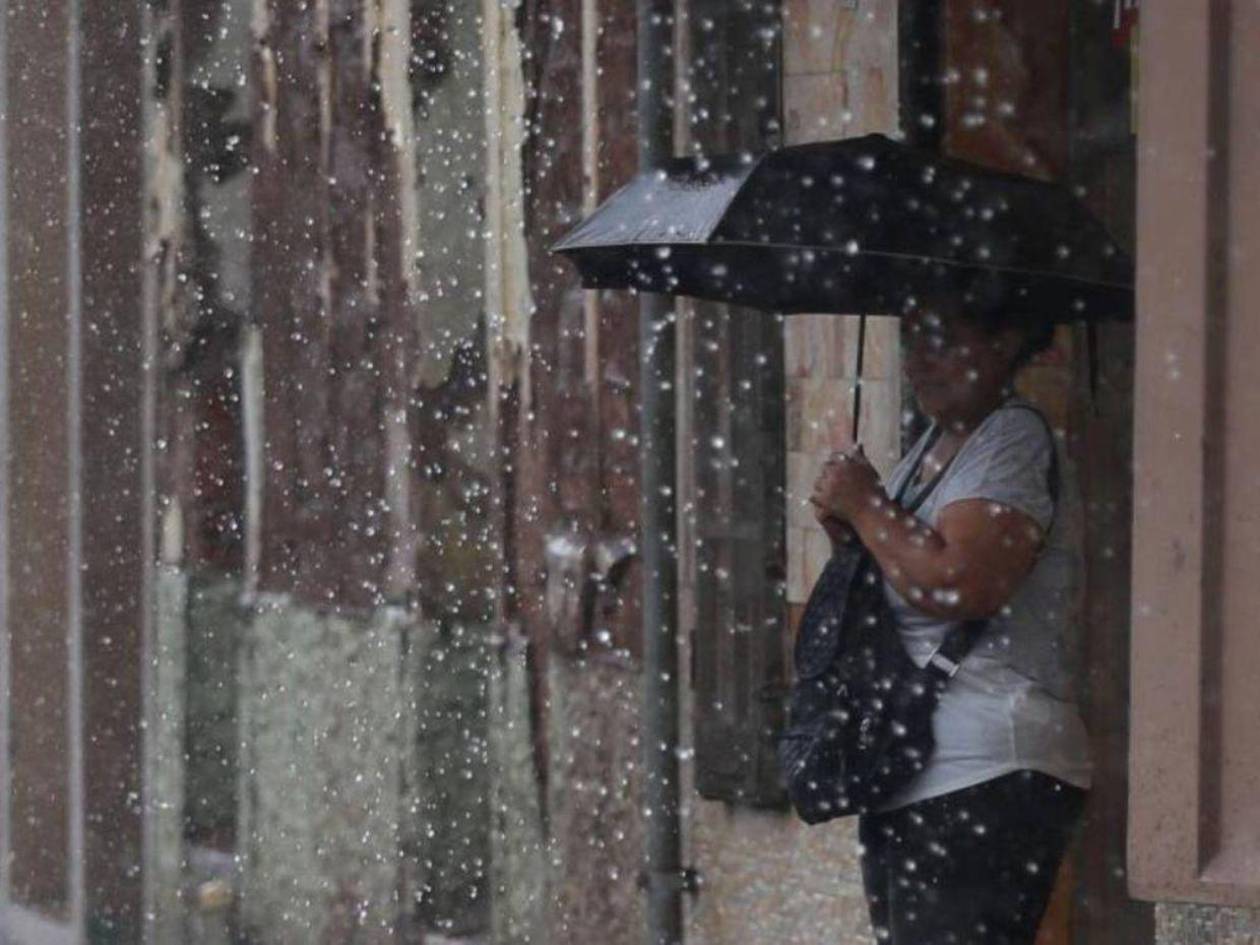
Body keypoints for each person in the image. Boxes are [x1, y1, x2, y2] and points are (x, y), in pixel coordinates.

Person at [808, 301, 1092, 945]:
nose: (918, 359)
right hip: (917, 767)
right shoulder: (935, 446)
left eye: (941, 337)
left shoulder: (1011, 439)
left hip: (985, 766)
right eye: (910, 339)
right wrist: (853, 534)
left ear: (1006, 339)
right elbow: (898, 592)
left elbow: (961, 581)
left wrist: (868, 505)